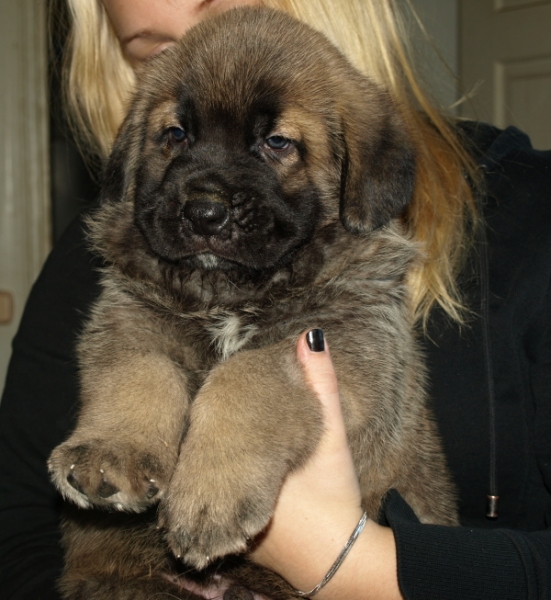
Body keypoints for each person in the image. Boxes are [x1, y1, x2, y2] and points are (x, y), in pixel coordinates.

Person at [0, 0, 550, 598]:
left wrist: (351, 564)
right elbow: (20, 523)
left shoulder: (509, 219)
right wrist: (131, 422)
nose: (206, 197)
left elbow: (360, 374)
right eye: (177, 133)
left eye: (277, 144)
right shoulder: (103, 257)